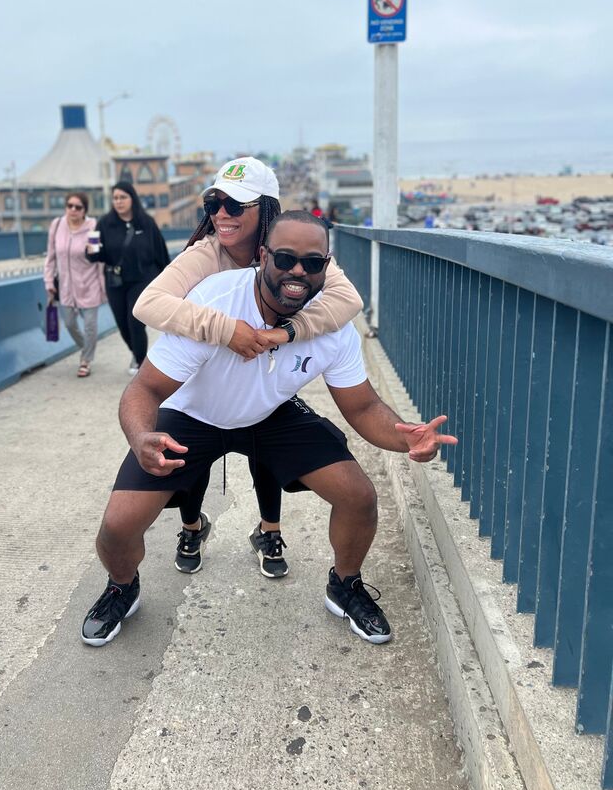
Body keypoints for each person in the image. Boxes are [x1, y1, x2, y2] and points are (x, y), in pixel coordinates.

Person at [81, 211, 456, 648]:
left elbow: (364, 405)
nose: (298, 270)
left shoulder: (331, 326)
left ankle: (345, 585)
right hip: (194, 414)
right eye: (285, 258)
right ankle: (122, 588)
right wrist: (140, 437)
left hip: (270, 414)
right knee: (117, 527)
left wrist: (404, 436)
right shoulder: (213, 303)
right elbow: (143, 390)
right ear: (262, 256)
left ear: (326, 267)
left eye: (313, 263)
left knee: (359, 496)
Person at [133, 157, 364, 579]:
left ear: (267, 210)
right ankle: (191, 526)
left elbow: (347, 300)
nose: (222, 213)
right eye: (214, 203)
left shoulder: (293, 253)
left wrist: (288, 332)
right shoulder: (205, 256)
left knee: (266, 446)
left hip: (263, 377)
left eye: (236, 205)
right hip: (203, 378)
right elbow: (147, 304)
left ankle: (269, 529)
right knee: (189, 455)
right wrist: (226, 329)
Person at [87, 181, 170, 376]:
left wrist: (168, 281)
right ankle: (137, 353)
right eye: (115, 198)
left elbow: (161, 253)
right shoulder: (104, 223)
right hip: (115, 281)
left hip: (142, 279)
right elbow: (95, 255)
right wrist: (90, 250)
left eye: (123, 197)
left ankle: (142, 365)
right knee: (123, 325)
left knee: (135, 321)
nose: (119, 201)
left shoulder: (146, 223)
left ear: (132, 199)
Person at [44, 191, 106, 378]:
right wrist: (49, 281)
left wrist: (103, 285)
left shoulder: (93, 227)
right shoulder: (56, 226)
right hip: (65, 288)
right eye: (69, 206)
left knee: (89, 326)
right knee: (70, 324)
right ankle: (86, 348)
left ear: (84, 210)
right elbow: (51, 257)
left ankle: (85, 360)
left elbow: (97, 258)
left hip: (89, 284)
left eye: (78, 207)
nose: (73, 210)